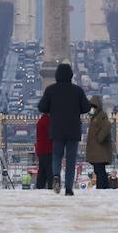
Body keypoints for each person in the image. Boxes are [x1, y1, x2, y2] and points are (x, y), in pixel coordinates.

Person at [37, 63, 91, 196]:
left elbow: (42, 107)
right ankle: (68, 188)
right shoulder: (77, 90)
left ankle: (56, 176)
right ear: (71, 76)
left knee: (56, 156)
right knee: (71, 160)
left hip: (57, 128)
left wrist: (52, 108)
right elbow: (86, 108)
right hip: (73, 129)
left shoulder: (51, 90)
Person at [85, 94, 114, 191]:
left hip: (100, 150)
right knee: (98, 170)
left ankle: (102, 187)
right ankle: (103, 186)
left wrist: (100, 138)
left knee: (99, 170)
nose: (91, 109)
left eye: (93, 106)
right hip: (97, 150)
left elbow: (107, 126)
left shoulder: (101, 115)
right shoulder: (95, 117)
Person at [34, 113, 53, 191]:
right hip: (48, 149)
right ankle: (50, 187)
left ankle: (40, 187)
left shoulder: (42, 120)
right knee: (49, 170)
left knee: (42, 170)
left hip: (42, 149)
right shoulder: (48, 121)